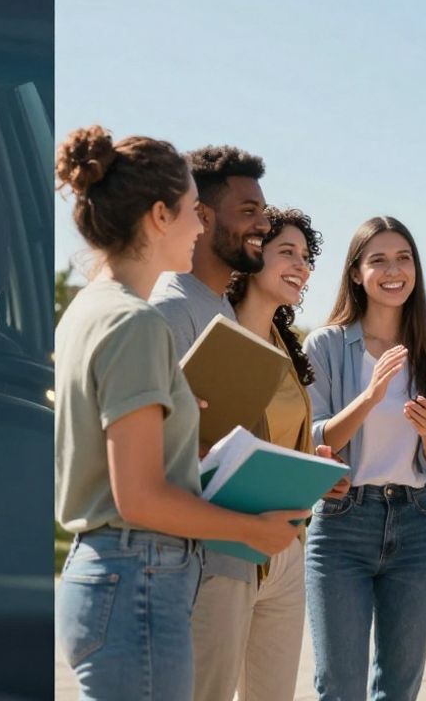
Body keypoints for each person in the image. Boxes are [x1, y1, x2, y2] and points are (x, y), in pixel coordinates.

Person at [53, 125, 308, 701]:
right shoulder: (137, 321)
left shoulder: (91, 308)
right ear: (160, 217)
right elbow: (139, 497)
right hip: (140, 575)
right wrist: (254, 531)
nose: (199, 226)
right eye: (194, 211)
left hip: (117, 575)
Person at [302, 215, 426, 701]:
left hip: (415, 524)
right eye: (379, 261)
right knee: (340, 686)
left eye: (403, 258)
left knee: (399, 689)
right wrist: (370, 397)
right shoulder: (325, 345)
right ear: (356, 273)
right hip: (341, 524)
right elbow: (315, 437)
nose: (394, 271)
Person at [146, 144, 276, 700]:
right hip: (194, 563)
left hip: (227, 555)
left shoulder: (218, 308)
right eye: (248, 211)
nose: (263, 225)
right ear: (201, 215)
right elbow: (151, 451)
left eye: (263, 212)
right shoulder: (169, 310)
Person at [224, 205, 348, 701]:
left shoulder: (287, 348)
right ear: (253, 253)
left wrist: (315, 471)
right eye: (288, 252)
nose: (303, 266)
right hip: (227, 546)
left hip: (285, 547)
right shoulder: (214, 329)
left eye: (306, 256)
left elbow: (280, 441)